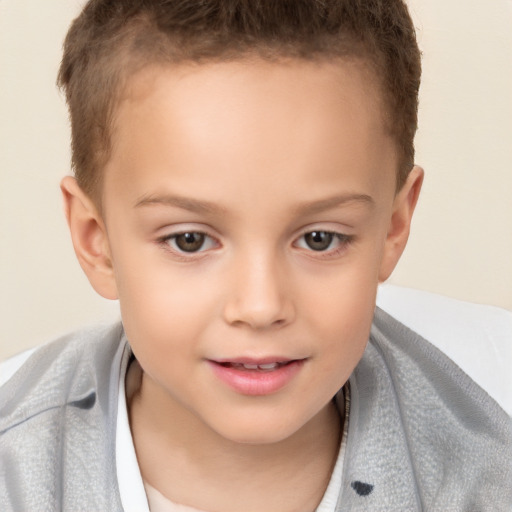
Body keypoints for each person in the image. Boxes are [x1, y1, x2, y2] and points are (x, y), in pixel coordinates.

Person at [0, 1, 510, 510]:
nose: (261, 306)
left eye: (319, 239)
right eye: (190, 240)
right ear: (97, 240)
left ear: (393, 228)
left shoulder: (486, 480)